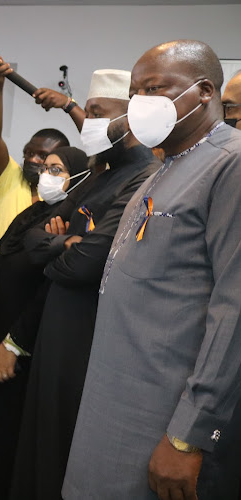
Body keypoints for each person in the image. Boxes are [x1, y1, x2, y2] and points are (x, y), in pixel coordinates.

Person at [64, 40, 241, 500]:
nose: (141, 103)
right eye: (135, 91)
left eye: (154, 88)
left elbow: (234, 310)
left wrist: (188, 434)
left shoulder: (231, 165)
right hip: (114, 392)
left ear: (204, 92)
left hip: (160, 413)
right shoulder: (165, 166)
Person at [4, 67, 159, 500]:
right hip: (56, 320)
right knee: (40, 439)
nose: (86, 124)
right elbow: (34, 237)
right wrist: (61, 244)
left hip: (85, 331)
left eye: (96, 113)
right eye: (85, 113)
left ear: (129, 118)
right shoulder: (98, 173)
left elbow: (87, 264)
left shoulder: (141, 176)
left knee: (65, 448)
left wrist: (60, 249)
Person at [0, 146, 89, 500]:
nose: (46, 175)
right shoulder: (31, 215)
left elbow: (49, 288)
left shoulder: (73, 222)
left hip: (24, 347)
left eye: (57, 169)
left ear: (79, 177)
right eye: (44, 168)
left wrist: (14, 343)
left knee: (8, 435)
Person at [0, 54, 76, 256]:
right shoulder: (11, 178)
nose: (32, 159)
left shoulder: (59, 194)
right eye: (28, 152)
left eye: (43, 156)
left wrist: (69, 105)